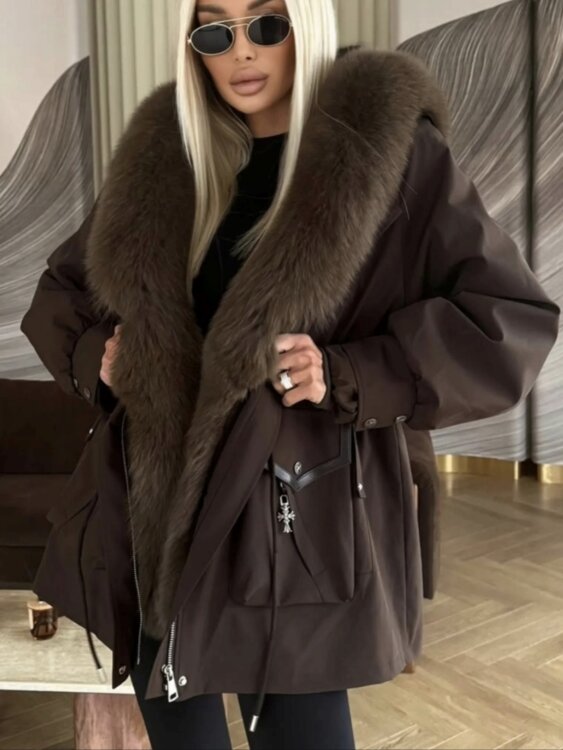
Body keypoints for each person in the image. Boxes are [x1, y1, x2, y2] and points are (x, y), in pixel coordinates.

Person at [20, 0, 560, 748]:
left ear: (304, 24)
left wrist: (347, 372)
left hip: (298, 512)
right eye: (215, 31)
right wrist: (98, 357)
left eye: (266, 24)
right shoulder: (166, 158)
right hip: (153, 512)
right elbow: (62, 294)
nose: (242, 51)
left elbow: (505, 318)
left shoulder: (390, 155)